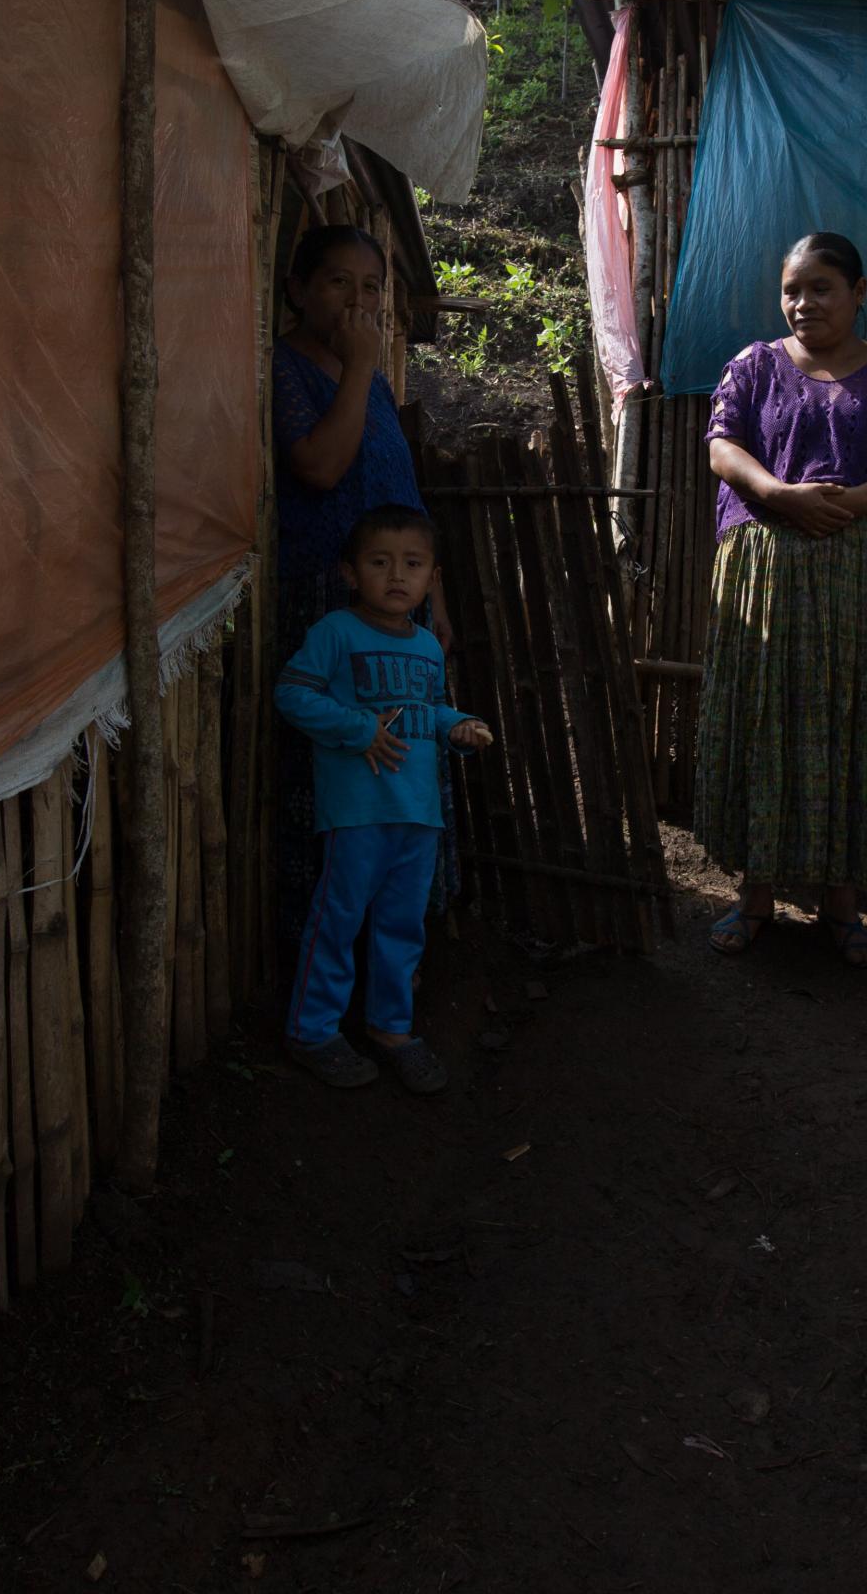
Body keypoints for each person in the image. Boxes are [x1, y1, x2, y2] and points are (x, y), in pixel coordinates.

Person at [699, 230, 867, 965]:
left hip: (861, 573)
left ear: (860, 293)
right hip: (765, 571)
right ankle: (755, 896)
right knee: (763, 716)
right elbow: (722, 445)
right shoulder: (754, 366)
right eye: (792, 290)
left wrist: (854, 503)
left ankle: (843, 902)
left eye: (822, 288)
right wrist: (778, 494)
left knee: (851, 723)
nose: (804, 303)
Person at [270, 224, 448, 952]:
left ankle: (396, 956)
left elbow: (407, 503)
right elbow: (319, 468)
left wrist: (439, 610)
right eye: (338, 282)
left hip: (402, 621)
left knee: (403, 776)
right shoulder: (286, 368)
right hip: (330, 609)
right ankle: (323, 962)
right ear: (297, 291)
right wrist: (357, 367)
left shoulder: (372, 382)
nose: (358, 299)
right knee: (344, 784)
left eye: (371, 287)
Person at [274, 505, 495, 1092]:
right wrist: (358, 730)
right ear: (350, 573)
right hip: (356, 812)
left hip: (418, 815)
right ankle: (313, 1031)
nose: (397, 575)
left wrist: (459, 726)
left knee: (402, 927)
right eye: (380, 562)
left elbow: (424, 711)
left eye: (412, 564)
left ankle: (392, 1029)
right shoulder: (335, 633)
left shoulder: (426, 647)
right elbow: (292, 694)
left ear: (430, 577)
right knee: (337, 919)